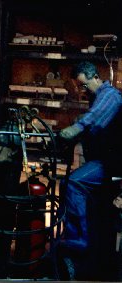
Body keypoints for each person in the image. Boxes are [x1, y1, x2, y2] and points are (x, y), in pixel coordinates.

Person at [59, 61, 122, 278]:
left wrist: (77, 127)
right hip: (105, 161)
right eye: (79, 87)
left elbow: (96, 117)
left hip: (113, 164)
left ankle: (79, 239)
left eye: (84, 86)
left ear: (95, 77)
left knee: (73, 183)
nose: (81, 91)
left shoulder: (110, 94)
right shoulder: (96, 98)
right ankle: (75, 232)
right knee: (65, 182)